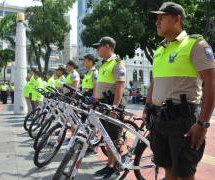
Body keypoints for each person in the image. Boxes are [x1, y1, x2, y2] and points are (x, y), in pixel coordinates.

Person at [143, 2, 215, 180]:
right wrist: (147, 107)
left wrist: (203, 124)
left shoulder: (195, 44)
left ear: (177, 18)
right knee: (167, 168)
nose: (157, 22)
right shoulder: (160, 49)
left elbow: (211, 82)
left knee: (184, 174)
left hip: (183, 121)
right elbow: (154, 82)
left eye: (162, 17)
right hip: (159, 120)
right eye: (156, 19)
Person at [92, 36, 126, 179]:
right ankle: (109, 165)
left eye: (98, 47)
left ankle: (115, 166)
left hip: (111, 106)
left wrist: (115, 108)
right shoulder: (104, 64)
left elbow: (120, 86)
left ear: (107, 46)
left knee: (114, 138)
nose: (97, 50)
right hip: (103, 106)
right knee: (106, 138)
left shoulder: (117, 63)